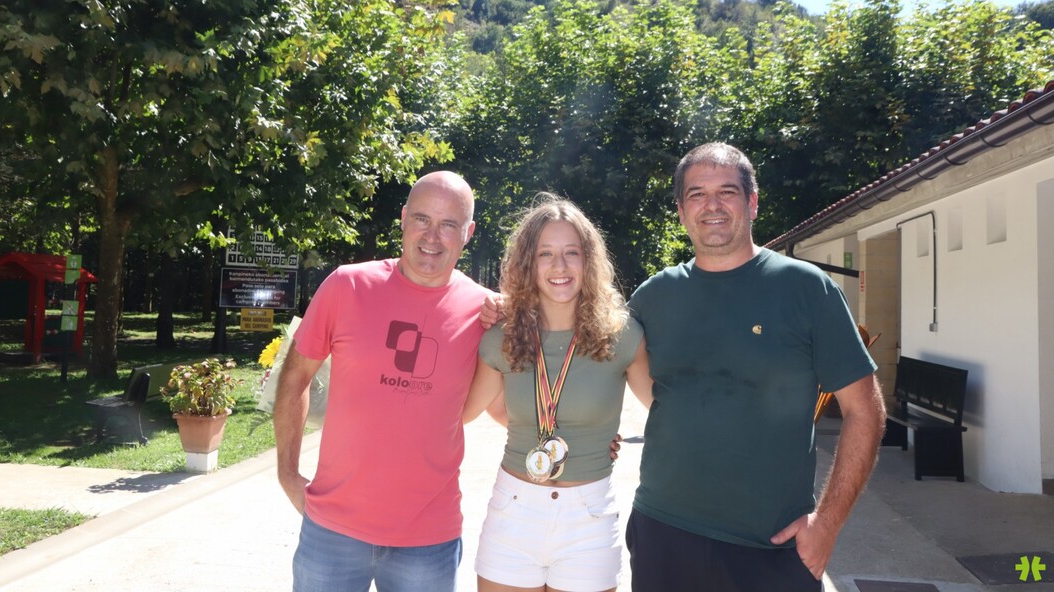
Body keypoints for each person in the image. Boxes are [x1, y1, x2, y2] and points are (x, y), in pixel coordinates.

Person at [624, 142, 886, 591]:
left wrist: (827, 524)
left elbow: (866, 411)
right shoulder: (654, 296)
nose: (712, 206)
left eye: (727, 192)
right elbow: (608, 359)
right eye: (697, 194)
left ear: (753, 202)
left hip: (771, 547)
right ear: (681, 211)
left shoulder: (806, 289)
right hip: (662, 533)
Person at [273, 171, 491, 592]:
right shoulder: (347, 284)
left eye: (449, 224)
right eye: (422, 219)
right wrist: (287, 473)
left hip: (429, 539)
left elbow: (503, 406)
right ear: (404, 218)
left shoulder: (484, 311)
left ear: (468, 233)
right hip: (332, 530)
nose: (432, 236)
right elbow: (296, 374)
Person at [463, 194, 653, 592]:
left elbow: (670, 412)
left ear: (589, 261)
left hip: (589, 519)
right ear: (527, 263)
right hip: (513, 514)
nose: (560, 266)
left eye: (572, 253)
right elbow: (458, 414)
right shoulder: (502, 336)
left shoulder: (621, 335)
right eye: (545, 254)